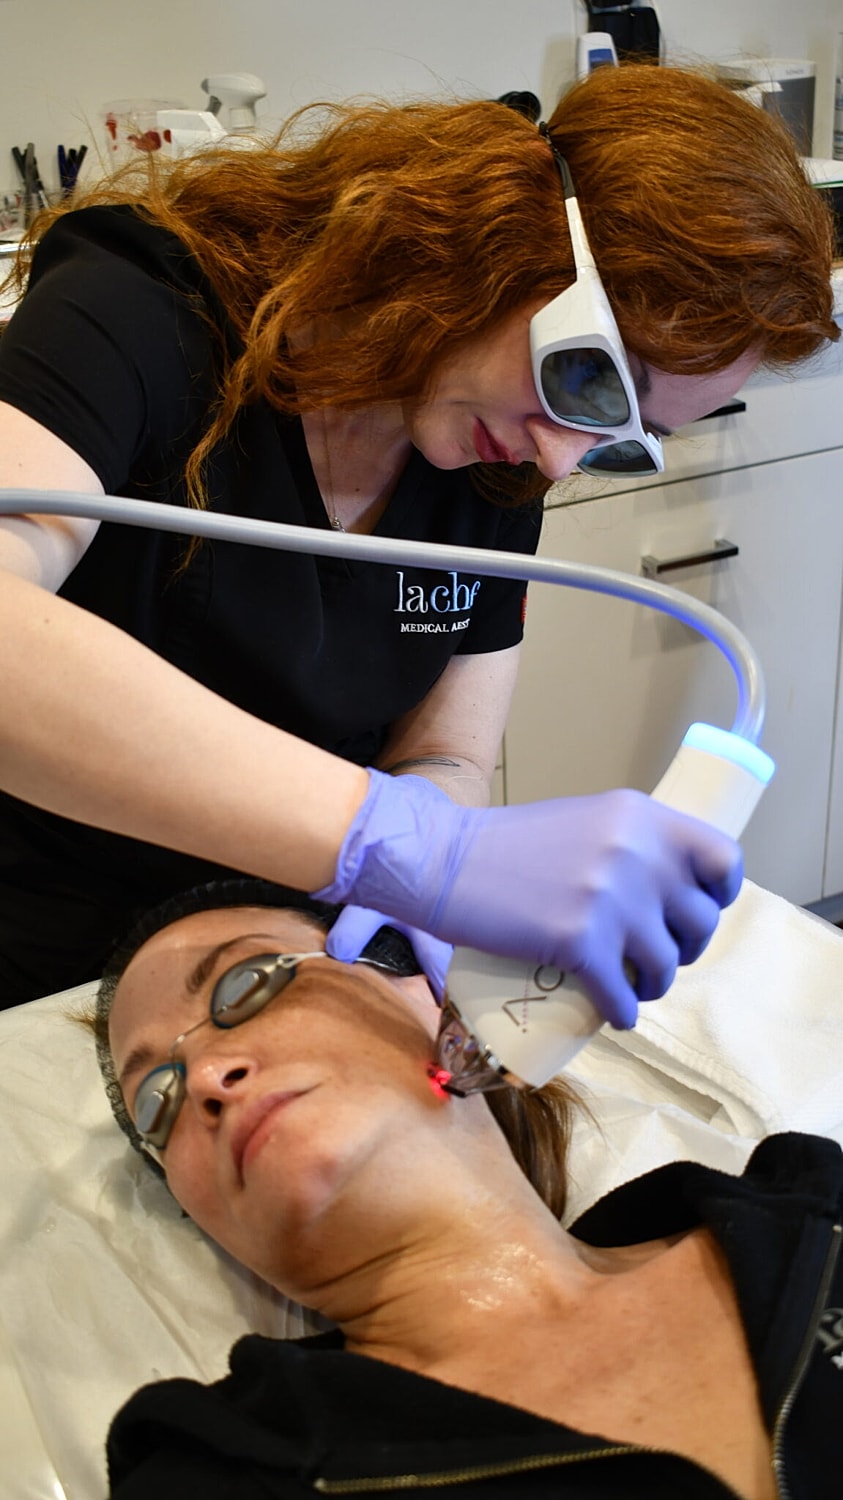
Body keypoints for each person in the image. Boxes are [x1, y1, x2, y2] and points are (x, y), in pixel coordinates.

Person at [0, 65, 836, 1015]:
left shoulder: (497, 450)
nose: (560, 462)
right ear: (501, 240)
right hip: (42, 978)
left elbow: (442, 750)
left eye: (621, 436)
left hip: (293, 966)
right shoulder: (139, 308)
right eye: (594, 382)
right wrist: (405, 847)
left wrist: (427, 861)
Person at [95, 879, 843, 1499]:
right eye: (156, 1104)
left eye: (247, 984)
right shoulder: (221, 1469)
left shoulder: (807, 1212)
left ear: (429, 989)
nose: (199, 1081)